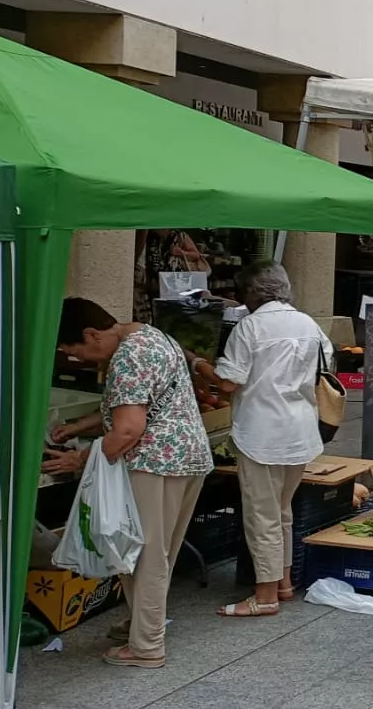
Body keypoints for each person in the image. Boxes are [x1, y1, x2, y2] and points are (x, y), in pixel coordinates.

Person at [45, 299, 213, 668]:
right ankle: (143, 623)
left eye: (77, 351)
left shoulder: (126, 357)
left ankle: (147, 645)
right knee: (158, 552)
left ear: (92, 334)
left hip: (153, 463)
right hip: (188, 456)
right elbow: (133, 404)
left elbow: (127, 428)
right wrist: (79, 426)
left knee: (142, 555)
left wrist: (79, 457)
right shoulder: (152, 336)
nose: (82, 360)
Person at [196, 263, 329, 617]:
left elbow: (227, 383)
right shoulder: (308, 323)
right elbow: (325, 367)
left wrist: (197, 364)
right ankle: (283, 583)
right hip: (300, 428)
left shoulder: (250, 327)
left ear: (250, 293)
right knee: (282, 511)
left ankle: (265, 595)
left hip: (261, 433)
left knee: (262, 516)